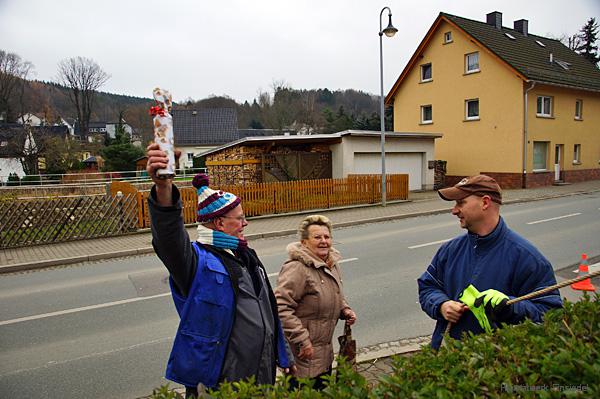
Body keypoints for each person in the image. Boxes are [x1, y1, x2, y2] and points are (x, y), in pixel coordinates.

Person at [145, 143, 293, 398]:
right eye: (240, 218)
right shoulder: (195, 262)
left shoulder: (246, 255)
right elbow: (169, 239)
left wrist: (282, 353)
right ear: (220, 223)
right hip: (221, 383)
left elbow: (267, 310)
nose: (246, 223)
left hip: (261, 377)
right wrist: (163, 187)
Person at [417, 175, 562, 350]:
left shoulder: (527, 258)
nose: (454, 210)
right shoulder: (450, 250)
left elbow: (551, 315)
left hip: (497, 366)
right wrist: (441, 305)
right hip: (447, 362)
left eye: (460, 203)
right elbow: (428, 286)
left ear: (485, 203)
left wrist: (510, 306)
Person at [275, 215, 357, 390]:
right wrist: (302, 339)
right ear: (304, 242)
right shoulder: (297, 268)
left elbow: (333, 294)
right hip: (304, 354)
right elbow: (281, 307)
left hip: (324, 353)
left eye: (327, 237)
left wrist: (345, 309)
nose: (323, 241)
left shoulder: (330, 264)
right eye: (317, 237)